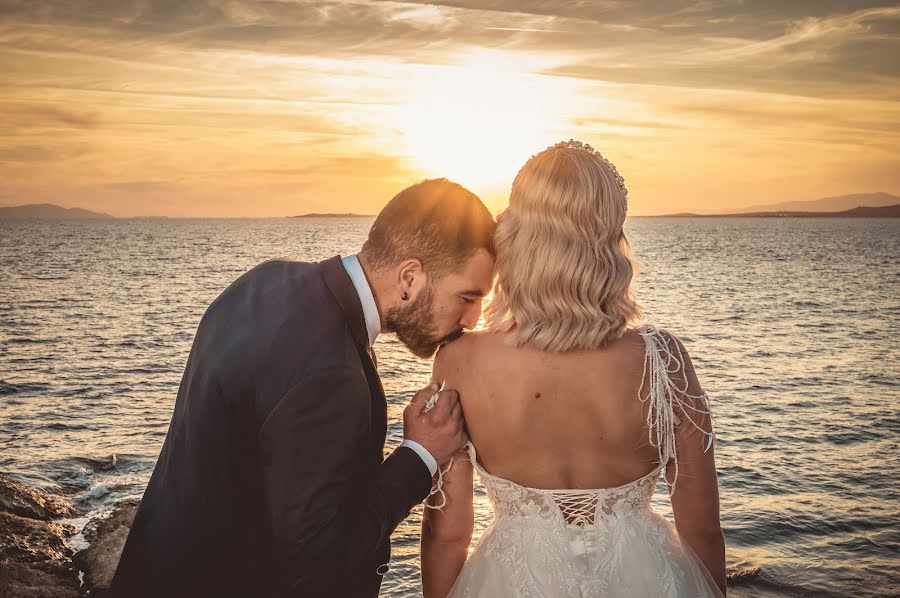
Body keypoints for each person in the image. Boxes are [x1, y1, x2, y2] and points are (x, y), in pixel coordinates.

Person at [110, 178, 496, 597]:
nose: (473, 319)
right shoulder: (331, 373)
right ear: (410, 276)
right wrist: (420, 454)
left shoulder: (264, 281)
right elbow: (321, 562)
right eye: (467, 297)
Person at [420, 141, 726, 597]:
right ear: (609, 240)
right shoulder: (664, 361)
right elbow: (701, 529)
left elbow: (448, 534)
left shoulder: (459, 361)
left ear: (517, 236)